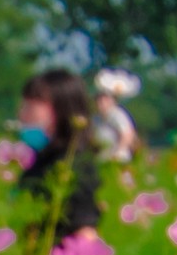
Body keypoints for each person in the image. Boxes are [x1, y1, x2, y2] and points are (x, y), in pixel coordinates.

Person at [9, 69, 115, 245]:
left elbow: (85, 229)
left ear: (61, 110)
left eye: (30, 106)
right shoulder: (41, 159)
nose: (21, 114)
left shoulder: (76, 165)